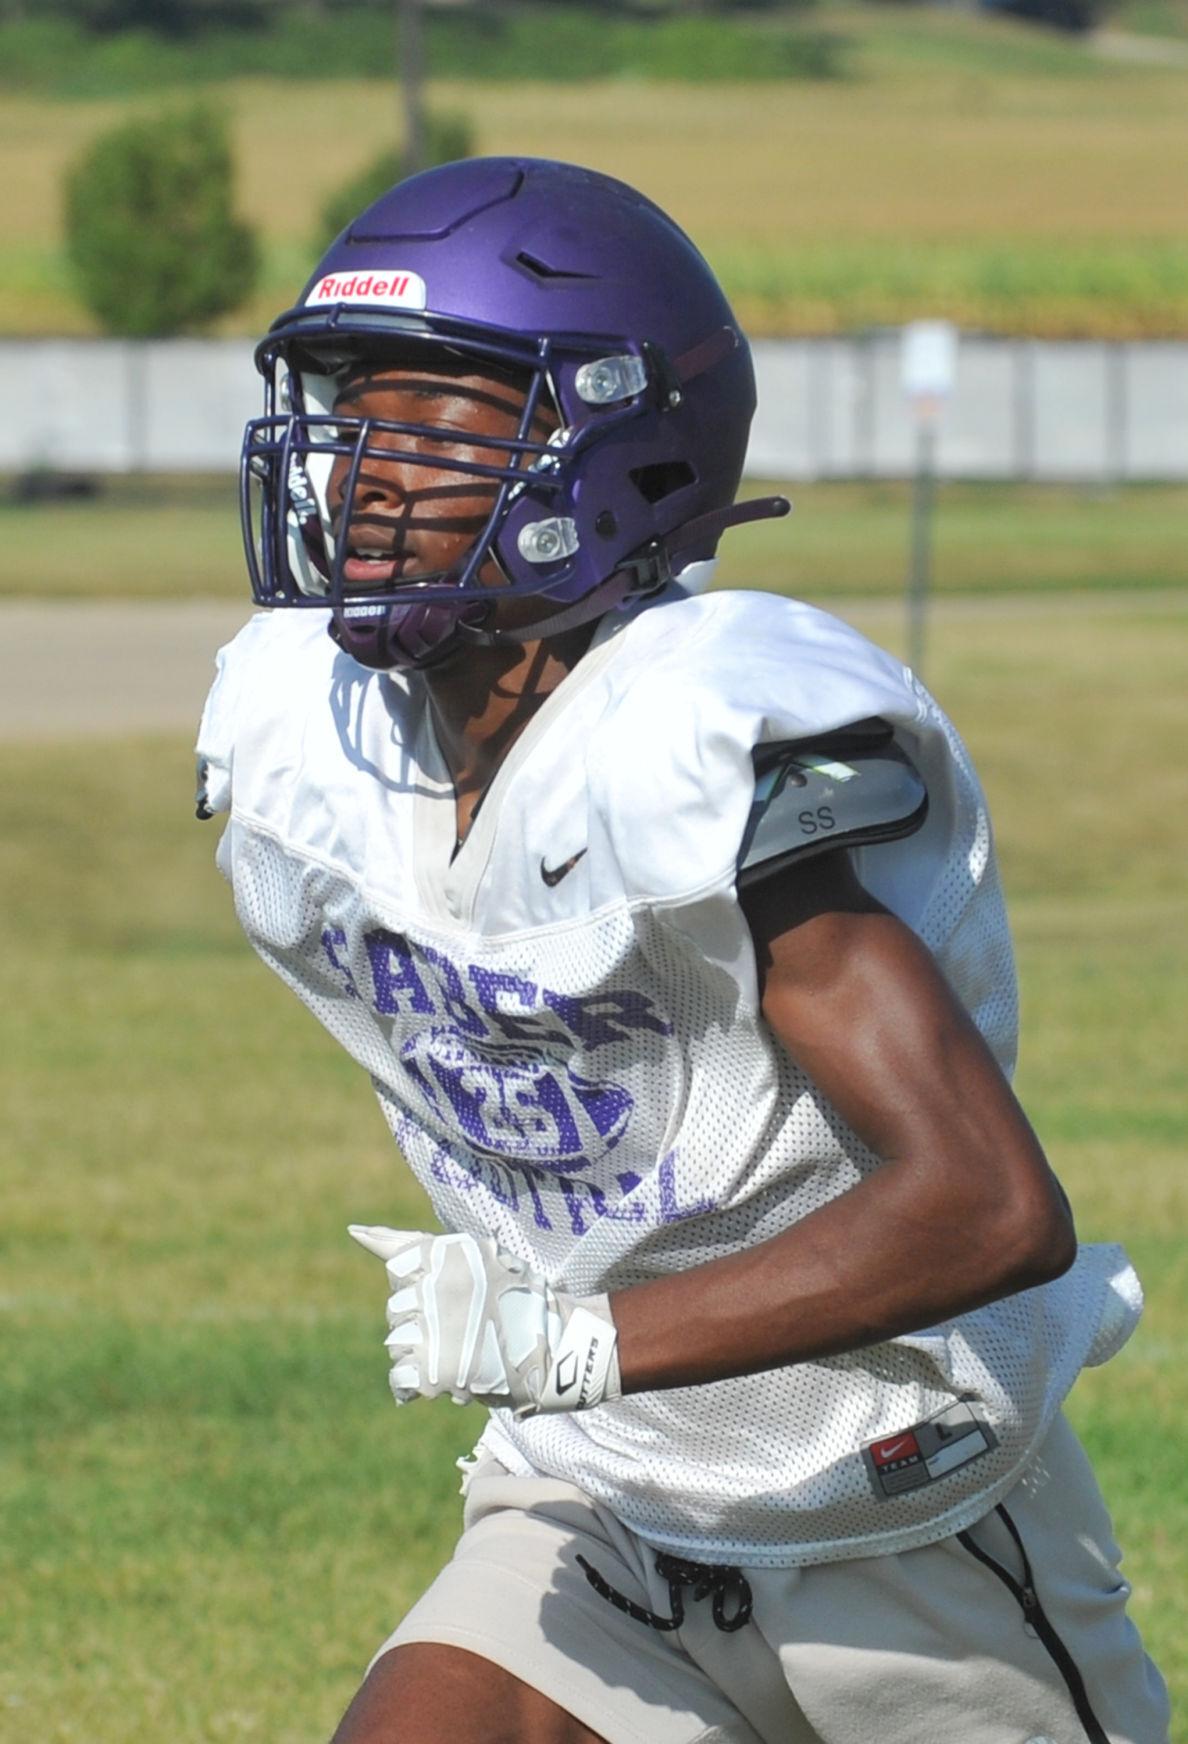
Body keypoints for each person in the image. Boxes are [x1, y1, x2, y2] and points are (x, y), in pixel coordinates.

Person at [198, 158, 1167, 1744]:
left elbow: (987, 1204)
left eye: (443, 421)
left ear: (612, 456)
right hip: (595, 1502)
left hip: (885, 1511)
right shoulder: (313, 729)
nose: (366, 468)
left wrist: (571, 1339)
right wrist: (571, 1376)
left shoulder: (693, 735)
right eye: (355, 411)